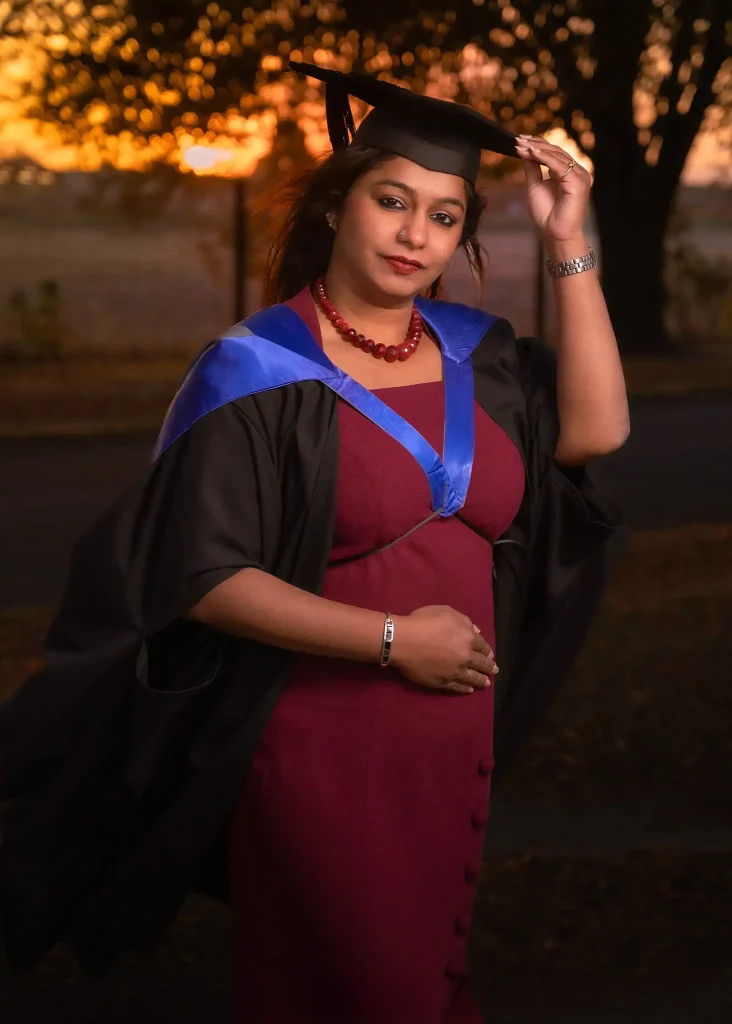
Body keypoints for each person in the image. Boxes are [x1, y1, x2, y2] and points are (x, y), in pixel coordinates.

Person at [0, 62, 628, 1023]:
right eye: (392, 201)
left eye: (446, 215)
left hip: (450, 748)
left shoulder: (482, 354)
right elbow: (200, 575)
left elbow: (595, 433)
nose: (417, 234)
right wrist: (393, 640)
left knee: (410, 988)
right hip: (318, 743)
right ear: (340, 206)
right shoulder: (255, 371)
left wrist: (568, 240)